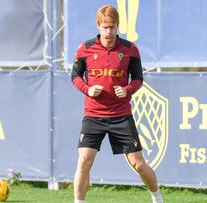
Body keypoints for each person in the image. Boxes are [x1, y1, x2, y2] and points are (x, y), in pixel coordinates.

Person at [71, 4, 164, 203]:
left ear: (117, 26)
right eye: (105, 27)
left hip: (121, 115)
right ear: (98, 26)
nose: (109, 31)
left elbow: (138, 79)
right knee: (84, 162)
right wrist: (87, 89)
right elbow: (75, 77)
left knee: (138, 164)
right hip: (93, 115)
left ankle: (157, 198)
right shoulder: (85, 48)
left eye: (112, 27)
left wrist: (127, 90)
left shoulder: (130, 49)